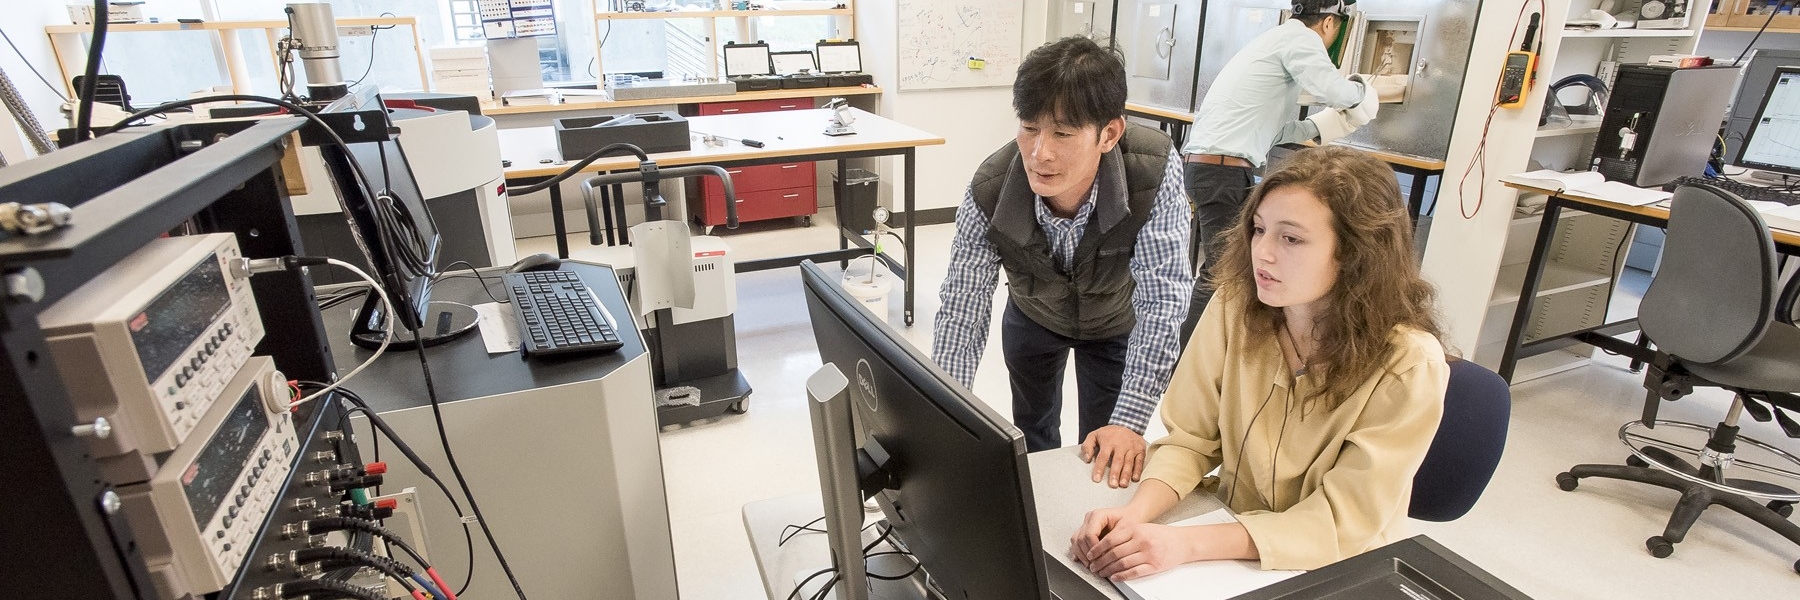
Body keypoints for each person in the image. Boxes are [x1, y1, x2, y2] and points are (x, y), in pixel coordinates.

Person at [1070, 145, 1449, 579]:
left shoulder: (1409, 364)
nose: (1262, 253)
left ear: (1355, 252)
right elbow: (1190, 439)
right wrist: (1134, 516)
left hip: (1337, 567)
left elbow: (1340, 523)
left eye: (1291, 238)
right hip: (1232, 539)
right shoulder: (1233, 306)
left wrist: (1184, 543)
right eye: (1259, 229)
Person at [932, 36, 1193, 489]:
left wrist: (1129, 422)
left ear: (1109, 134)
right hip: (1033, 315)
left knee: (1105, 448)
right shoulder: (990, 188)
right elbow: (962, 308)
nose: (1040, 153)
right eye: (1030, 128)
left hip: (1114, 321)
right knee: (1033, 434)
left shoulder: (1151, 170)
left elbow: (1164, 297)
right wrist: (944, 417)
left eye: (1063, 134)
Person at [1181, 0, 1381, 339]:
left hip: (1213, 168)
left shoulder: (1275, 41)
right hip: (1222, 171)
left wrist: (1323, 126)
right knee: (1222, 271)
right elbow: (1331, 89)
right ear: (1329, 23)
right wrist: (1364, 92)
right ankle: (1188, 357)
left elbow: (1275, 131)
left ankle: (1213, 348)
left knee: (1229, 267)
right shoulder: (1301, 39)